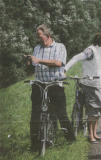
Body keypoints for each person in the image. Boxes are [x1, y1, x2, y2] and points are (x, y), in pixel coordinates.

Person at [26, 24, 76, 152]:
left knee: (61, 113)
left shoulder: (59, 47)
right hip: (39, 84)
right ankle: (34, 146)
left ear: (47, 35)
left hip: (55, 84)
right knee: (35, 115)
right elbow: (35, 63)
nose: (38, 40)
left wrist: (38, 61)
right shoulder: (37, 48)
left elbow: (58, 63)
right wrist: (29, 62)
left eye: (39, 37)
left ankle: (71, 141)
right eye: (37, 37)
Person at [64, 33, 101, 143]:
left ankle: (95, 133)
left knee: (99, 110)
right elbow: (76, 57)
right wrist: (64, 69)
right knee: (92, 110)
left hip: (98, 84)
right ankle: (91, 136)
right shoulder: (91, 51)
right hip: (90, 84)